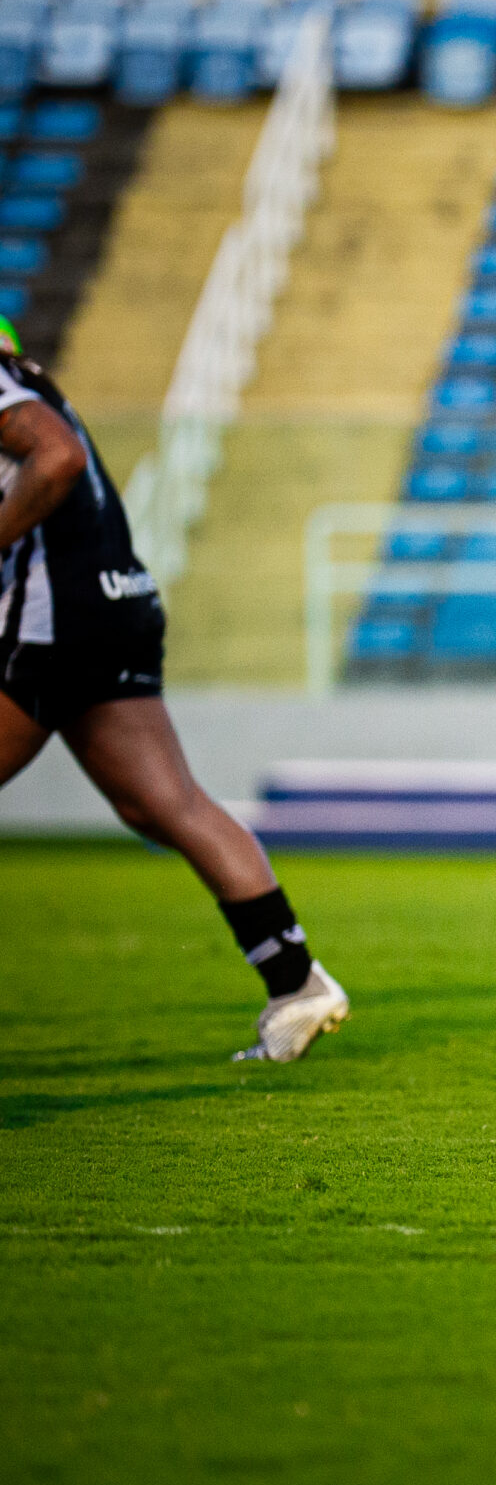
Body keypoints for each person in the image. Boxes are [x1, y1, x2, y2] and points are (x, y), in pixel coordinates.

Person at [0, 317, 348, 1062]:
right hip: (117, 605)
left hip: (57, 621)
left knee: (172, 804)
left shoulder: (9, 394)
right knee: (168, 804)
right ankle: (297, 984)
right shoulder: (35, 384)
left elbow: (53, 459)